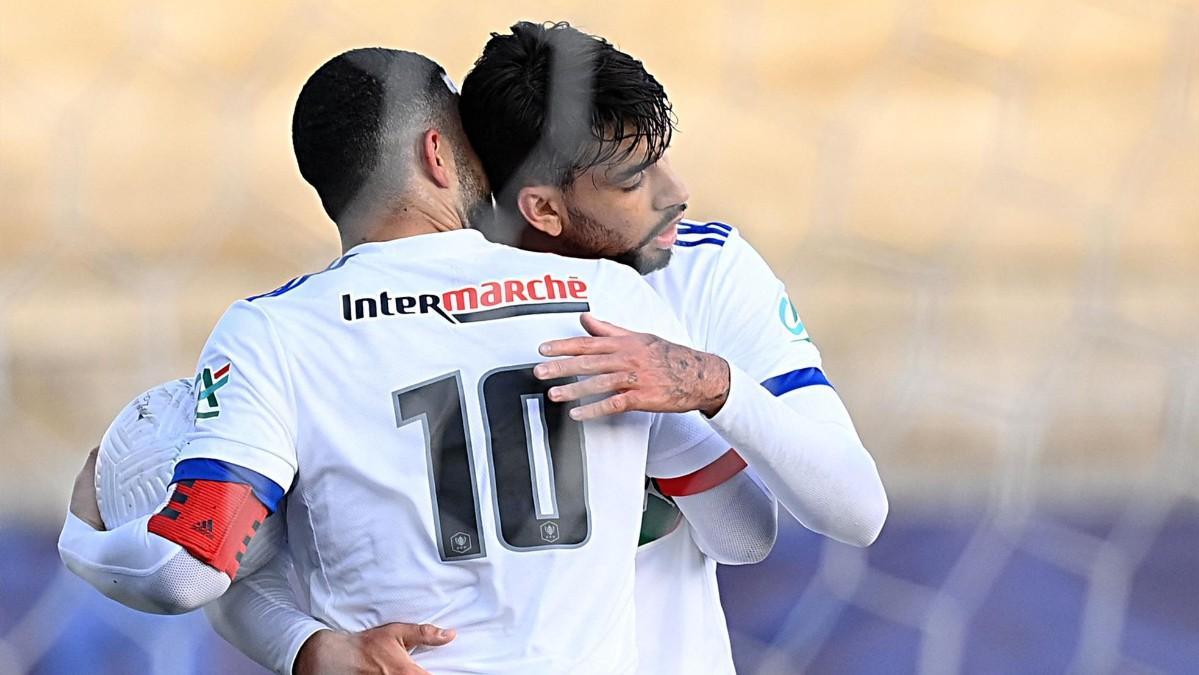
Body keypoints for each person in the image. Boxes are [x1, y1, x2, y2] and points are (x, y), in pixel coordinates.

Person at [58, 47, 778, 675]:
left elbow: (192, 568)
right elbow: (744, 530)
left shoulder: (274, 332)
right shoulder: (607, 295)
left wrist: (83, 537)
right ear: (438, 153)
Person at [205, 22, 889, 675]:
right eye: (632, 179)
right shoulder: (374, 319)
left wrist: (713, 385)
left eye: (660, 157)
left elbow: (851, 511)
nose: (676, 194)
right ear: (543, 210)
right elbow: (241, 563)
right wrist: (308, 646)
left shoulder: (704, 268)